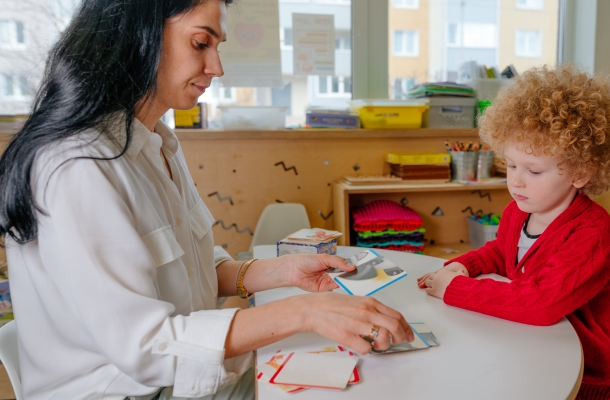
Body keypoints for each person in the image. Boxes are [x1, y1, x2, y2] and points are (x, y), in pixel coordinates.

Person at [0, 1, 414, 399]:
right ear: (135, 35)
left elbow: (189, 271)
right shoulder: (77, 164)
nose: (217, 68)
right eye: (201, 43)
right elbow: (148, 348)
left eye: (218, 47)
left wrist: (284, 271)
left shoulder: (156, 141)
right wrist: (304, 312)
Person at [417, 64, 610, 399]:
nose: (516, 180)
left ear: (580, 172)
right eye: (511, 165)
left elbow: (541, 305)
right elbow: (503, 252)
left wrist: (455, 290)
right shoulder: (520, 209)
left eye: (533, 170)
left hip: (579, 376)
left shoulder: (593, 234)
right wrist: (466, 266)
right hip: (527, 347)